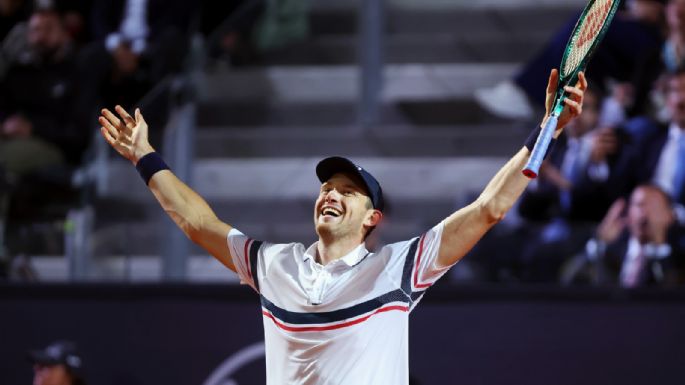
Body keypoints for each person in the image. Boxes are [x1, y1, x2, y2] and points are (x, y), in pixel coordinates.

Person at [97, 69, 586, 384]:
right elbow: (198, 222)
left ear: (373, 218)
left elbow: (488, 209)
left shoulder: (399, 268)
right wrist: (144, 156)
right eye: (327, 187)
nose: (331, 194)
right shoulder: (274, 264)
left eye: (347, 191)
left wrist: (547, 130)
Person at [563, 184, 685, 286]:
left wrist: (659, 246)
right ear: (629, 213)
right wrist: (599, 243)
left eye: (654, 207)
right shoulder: (610, 250)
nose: (645, 213)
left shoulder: (679, 258)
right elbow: (569, 279)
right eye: (640, 205)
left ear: (670, 217)